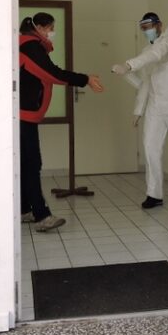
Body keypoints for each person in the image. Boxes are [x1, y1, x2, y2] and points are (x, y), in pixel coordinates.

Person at [19, 12, 103, 231]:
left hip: (22, 114)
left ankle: (24, 209)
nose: (52, 32)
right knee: (32, 163)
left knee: (25, 163)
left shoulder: (29, 45)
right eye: (50, 28)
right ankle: (42, 216)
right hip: (22, 115)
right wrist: (85, 79)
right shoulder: (30, 46)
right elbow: (52, 74)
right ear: (39, 28)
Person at [112, 12, 168, 209]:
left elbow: (157, 54)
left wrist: (128, 65)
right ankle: (154, 194)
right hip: (155, 106)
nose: (147, 31)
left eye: (149, 27)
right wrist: (138, 110)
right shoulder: (146, 50)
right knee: (150, 148)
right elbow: (145, 83)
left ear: (159, 25)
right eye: (143, 28)